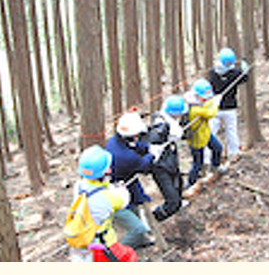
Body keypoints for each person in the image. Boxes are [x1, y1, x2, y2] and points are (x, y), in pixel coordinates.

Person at [70, 144, 137, 262]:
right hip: (101, 247)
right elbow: (124, 199)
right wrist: (121, 188)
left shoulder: (79, 186)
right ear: (107, 171)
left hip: (80, 247)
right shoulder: (109, 196)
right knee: (129, 256)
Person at [105, 111, 156, 249]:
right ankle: (114, 255)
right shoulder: (126, 157)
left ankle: (140, 241)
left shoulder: (116, 140)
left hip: (122, 184)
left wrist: (148, 148)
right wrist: (153, 155)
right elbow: (144, 166)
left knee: (134, 207)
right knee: (138, 228)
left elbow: (135, 146)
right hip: (111, 196)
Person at [145, 94, 187, 221]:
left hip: (169, 159)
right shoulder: (162, 126)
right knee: (172, 201)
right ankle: (154, 219)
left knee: (178, 183)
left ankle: (178, 205)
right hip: (160, 165)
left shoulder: (165, 118)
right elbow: (154, 141)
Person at [207, 47, 249, 164]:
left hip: (216, 108)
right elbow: (245, 78)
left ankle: (208, 155)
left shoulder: (213, 72)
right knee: (231, 130)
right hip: (230, 107)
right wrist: (245, 67)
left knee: (211, 132)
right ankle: (234, 152)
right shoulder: (235, 73)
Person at [184, 78, 223, 190]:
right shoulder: (194, 108)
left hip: (205, 134)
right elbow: (210, 113)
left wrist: (212, 100)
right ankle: (190, 183)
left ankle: (215, 167)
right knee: (198, 163)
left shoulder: (200, 103)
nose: (206, 100)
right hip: (196, 140)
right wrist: (216, 103)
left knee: (218, 148)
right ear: (196, 95)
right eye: (204, 98)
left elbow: (207, 106)